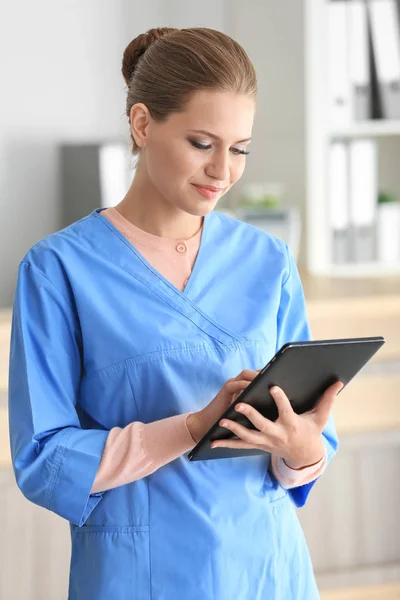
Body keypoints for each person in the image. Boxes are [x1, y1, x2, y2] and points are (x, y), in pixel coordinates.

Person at [8, 27, 342, 600]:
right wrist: (191, 428)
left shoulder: (268, 260)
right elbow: (44, 460)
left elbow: (305, 456)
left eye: (239, 149)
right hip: (140, 575)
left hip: (266, 570)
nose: (223, 171)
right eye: (201, 143)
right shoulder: (59, 270)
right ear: (142, 124)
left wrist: (304, 450)